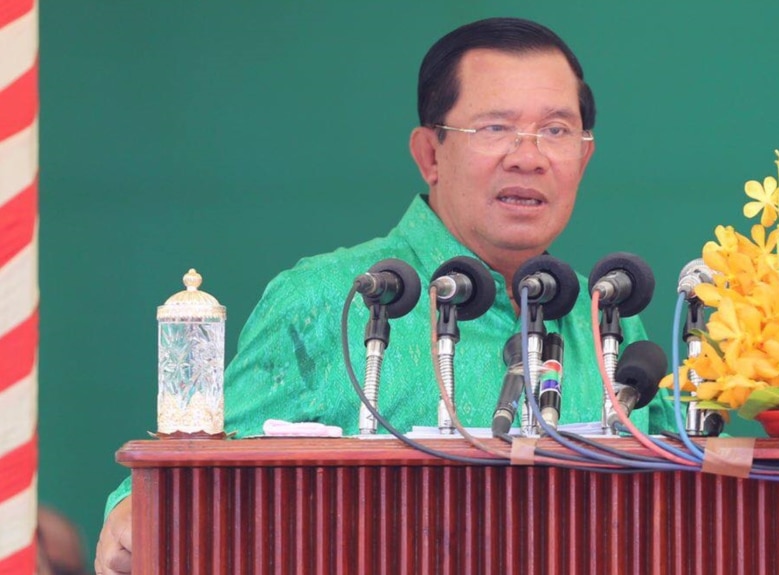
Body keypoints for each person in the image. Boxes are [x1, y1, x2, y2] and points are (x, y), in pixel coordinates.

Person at [95, 17, 671, 574]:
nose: (529, 155)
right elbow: (195, 475)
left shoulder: (609, 322)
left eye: (556, 130)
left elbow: (680, 488)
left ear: (584, 156)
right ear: (429, 154)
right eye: (494, 128)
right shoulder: (330, 299)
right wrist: (134, 509)